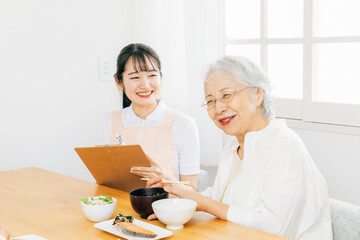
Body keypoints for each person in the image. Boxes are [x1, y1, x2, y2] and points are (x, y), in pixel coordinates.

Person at [148, 56, 332, 239]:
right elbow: (220, 197)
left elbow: (272, 228)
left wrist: (203, 202)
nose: (218, 108)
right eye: (210, 101)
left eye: (226, 95)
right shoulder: (233, 147)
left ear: (258, 95)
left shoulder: (285, 146)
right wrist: (179, 202)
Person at [97, 43, 200, 190]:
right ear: (118, 82)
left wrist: (166, 178)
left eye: (152, 75)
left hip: (168, 209)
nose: (145, 85)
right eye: (135, 77)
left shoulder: (184, 124)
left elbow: (191, 192)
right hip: (120, 210)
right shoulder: (107, 123)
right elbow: (103, 185)